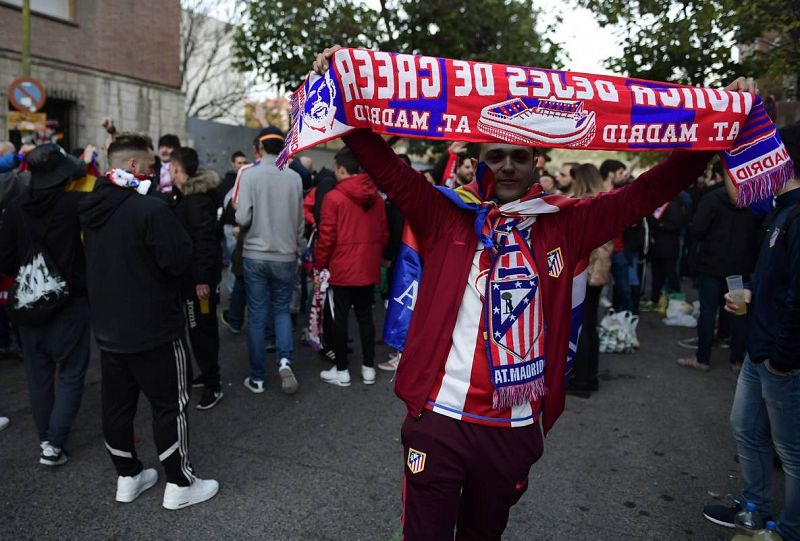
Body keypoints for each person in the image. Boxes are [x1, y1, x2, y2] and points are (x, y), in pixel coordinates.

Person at [312, 45, 752, 540]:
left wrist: (718, 128)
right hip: (440, 419)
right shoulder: (445, 216)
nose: (506, 166)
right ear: (481, 162)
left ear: (535, 162)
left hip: (512, 427)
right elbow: (386, 165)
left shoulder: (567, 225)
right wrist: (342, 89)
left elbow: (646, 192)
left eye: (518, 156)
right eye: (495, 156)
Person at [79, 133, 218, 509]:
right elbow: (178, 260)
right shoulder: (151, 209)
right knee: (170, 404)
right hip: (153, 327)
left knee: (117, 406)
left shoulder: (92, 207)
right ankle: (179, 482)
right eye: (152, 166)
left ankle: (128, 475)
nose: (157, 172)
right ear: (133, 167)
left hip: (109, 328)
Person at [703, 125, 800, 541]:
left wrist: (781, 358)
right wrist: (752, 294)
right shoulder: (781, 208)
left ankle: (791, 529)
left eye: (764, 151)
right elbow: (777, 284)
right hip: (761, 352)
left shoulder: (797, 214)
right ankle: (754, 508)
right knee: (746, 429)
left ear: (782, 158)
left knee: (792, 453)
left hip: (781, 360)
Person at [0, 144, 90, 466]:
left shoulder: (13, 208)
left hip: (26, 305)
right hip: (70, 302)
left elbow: (6, 261)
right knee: (70, 372)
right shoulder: (75, 205)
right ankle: (54, 443)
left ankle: (46, 437)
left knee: (37, 376)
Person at [235, 126, 303, 395]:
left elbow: (242, 218)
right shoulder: (295, 178)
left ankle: (258, 377)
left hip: (255, 253)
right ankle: (285, 361)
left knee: (257, 314)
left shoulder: (250, 175)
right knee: (282, 310)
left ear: (260, 148)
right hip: (286, 254)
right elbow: (299, 222)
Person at [676, 162, 760, 373]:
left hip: (711, 266)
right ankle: (737, 360)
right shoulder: (754, 200)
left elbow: (697, 229)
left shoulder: (712, 198)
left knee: (708, 312)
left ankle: (703, 359)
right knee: (738, 313)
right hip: (739, 268)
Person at [316, 147, 388, 386]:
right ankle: (368, 368)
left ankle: (342, 370)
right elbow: (383, 234)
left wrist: (320, 265)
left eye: (336, 169)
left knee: (339, 320)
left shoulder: (334, 197)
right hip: (368, 268)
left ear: (343, 169)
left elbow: (326, 237)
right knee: (366, 318)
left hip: (342, 270)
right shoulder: (376, 197)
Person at [169, 147, 224, 410]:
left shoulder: (196, 200)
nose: (168, 172)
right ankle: (207, 374)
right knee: (199, 329)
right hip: (192, 278)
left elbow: (204, 242)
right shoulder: (188, 198)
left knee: (202, 330)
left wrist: (202, 279)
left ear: (179, 170)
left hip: (198, 282)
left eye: (170, 167)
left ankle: (213, 385)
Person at [567, 164, 612, 398]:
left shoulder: (581, 205)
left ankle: (581, 379)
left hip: (583, 271)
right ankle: (590, 376)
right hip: (599, 272)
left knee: (580, 327)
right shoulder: (602, 204)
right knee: (591, 326)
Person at [648, 194, 688, 303]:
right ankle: (655, 298)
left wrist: (658, 224)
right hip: (659, 246)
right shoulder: (663, 204)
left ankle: (677, 301)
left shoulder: (673, 205)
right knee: (658, 275)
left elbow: (675, 224)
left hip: (668, 247)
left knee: (670, 275)